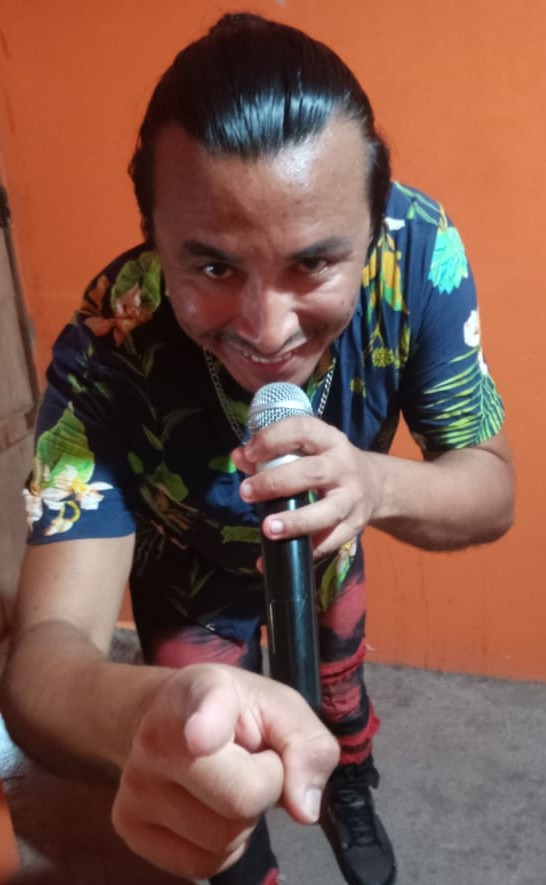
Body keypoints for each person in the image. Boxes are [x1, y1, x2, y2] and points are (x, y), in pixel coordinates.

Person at [0, 12, 514, 885]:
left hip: (329, 548)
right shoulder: (109, 342)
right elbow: (44, 658)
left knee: (339, 698)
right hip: (186, 583)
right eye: (212, 268)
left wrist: (371, 483)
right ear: (154, 237)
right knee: (217, 777)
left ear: (374, 224)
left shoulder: (420, 254)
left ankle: (350, 788)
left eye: (313, 264)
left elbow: (492, 487)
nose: (267, 330)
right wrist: (148, 718)